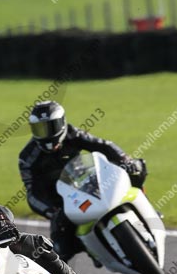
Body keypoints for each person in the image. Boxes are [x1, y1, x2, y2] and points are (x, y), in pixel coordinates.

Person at [18, 101, 147, 262]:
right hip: (62, 203)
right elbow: (32, 193)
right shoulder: (27, 157)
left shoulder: (73, 134)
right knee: (60, 249)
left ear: (62, 123)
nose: (46, 134)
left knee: (137, 168)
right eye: (40, 129)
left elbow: (104, 146)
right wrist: (52, 211)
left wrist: (125, 159)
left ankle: (146, 210)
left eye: (51, 126)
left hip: (87, 184)